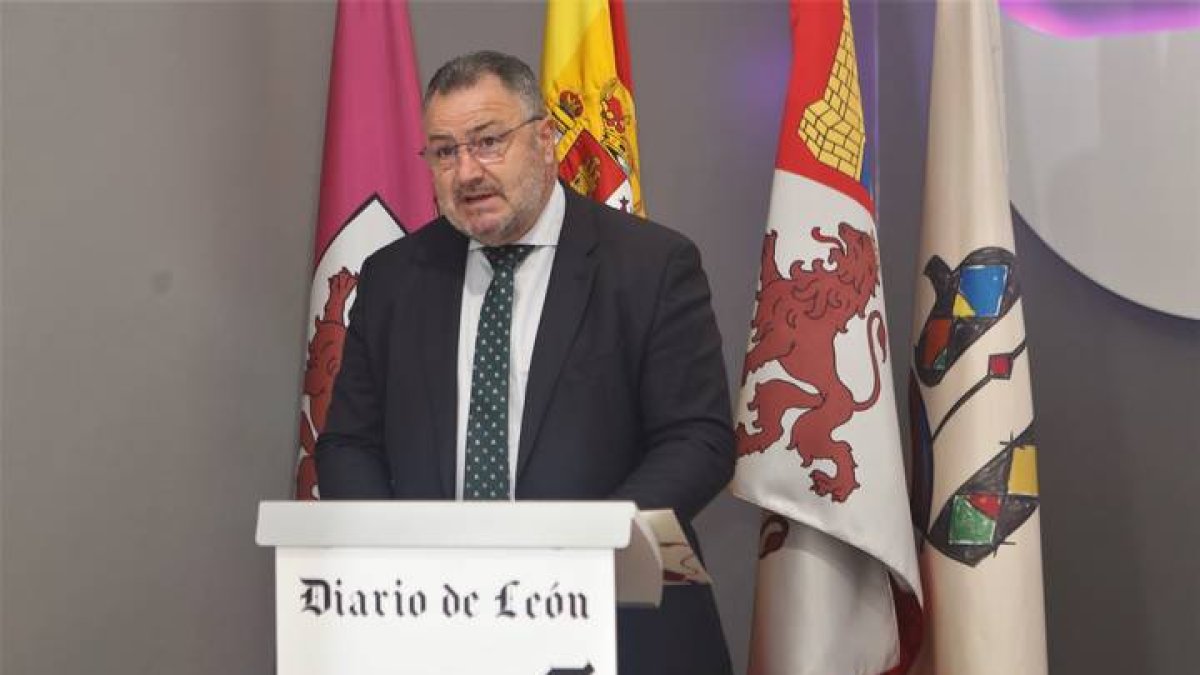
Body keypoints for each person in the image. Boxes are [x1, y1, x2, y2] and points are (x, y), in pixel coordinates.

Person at [315, 50, 734, 675]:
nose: (466, 172)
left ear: (545, 140)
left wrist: (582, 551)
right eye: (444, 151)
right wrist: (398, 559)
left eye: (487, 142)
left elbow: (698, 440)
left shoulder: (651, 265)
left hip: (616, 622)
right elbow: (348, 444)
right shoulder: (395, 277)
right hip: (437, 627)